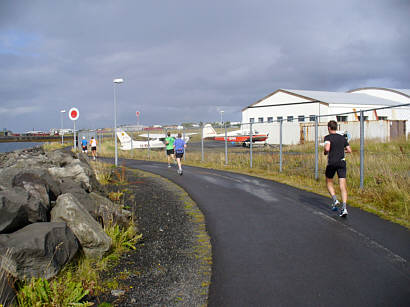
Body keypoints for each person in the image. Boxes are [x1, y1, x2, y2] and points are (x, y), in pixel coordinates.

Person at [324, 120, 352, 217]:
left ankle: (335, 199)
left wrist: (325, 151)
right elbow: (349, 150)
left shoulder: (328, 137)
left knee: (329, 181)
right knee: (342, 185)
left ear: (329, 128)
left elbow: (327, 148)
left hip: (332, 163)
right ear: (336, 128)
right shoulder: (342, 138)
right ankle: (344, 208)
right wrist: (341, 149)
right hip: (341, 162)